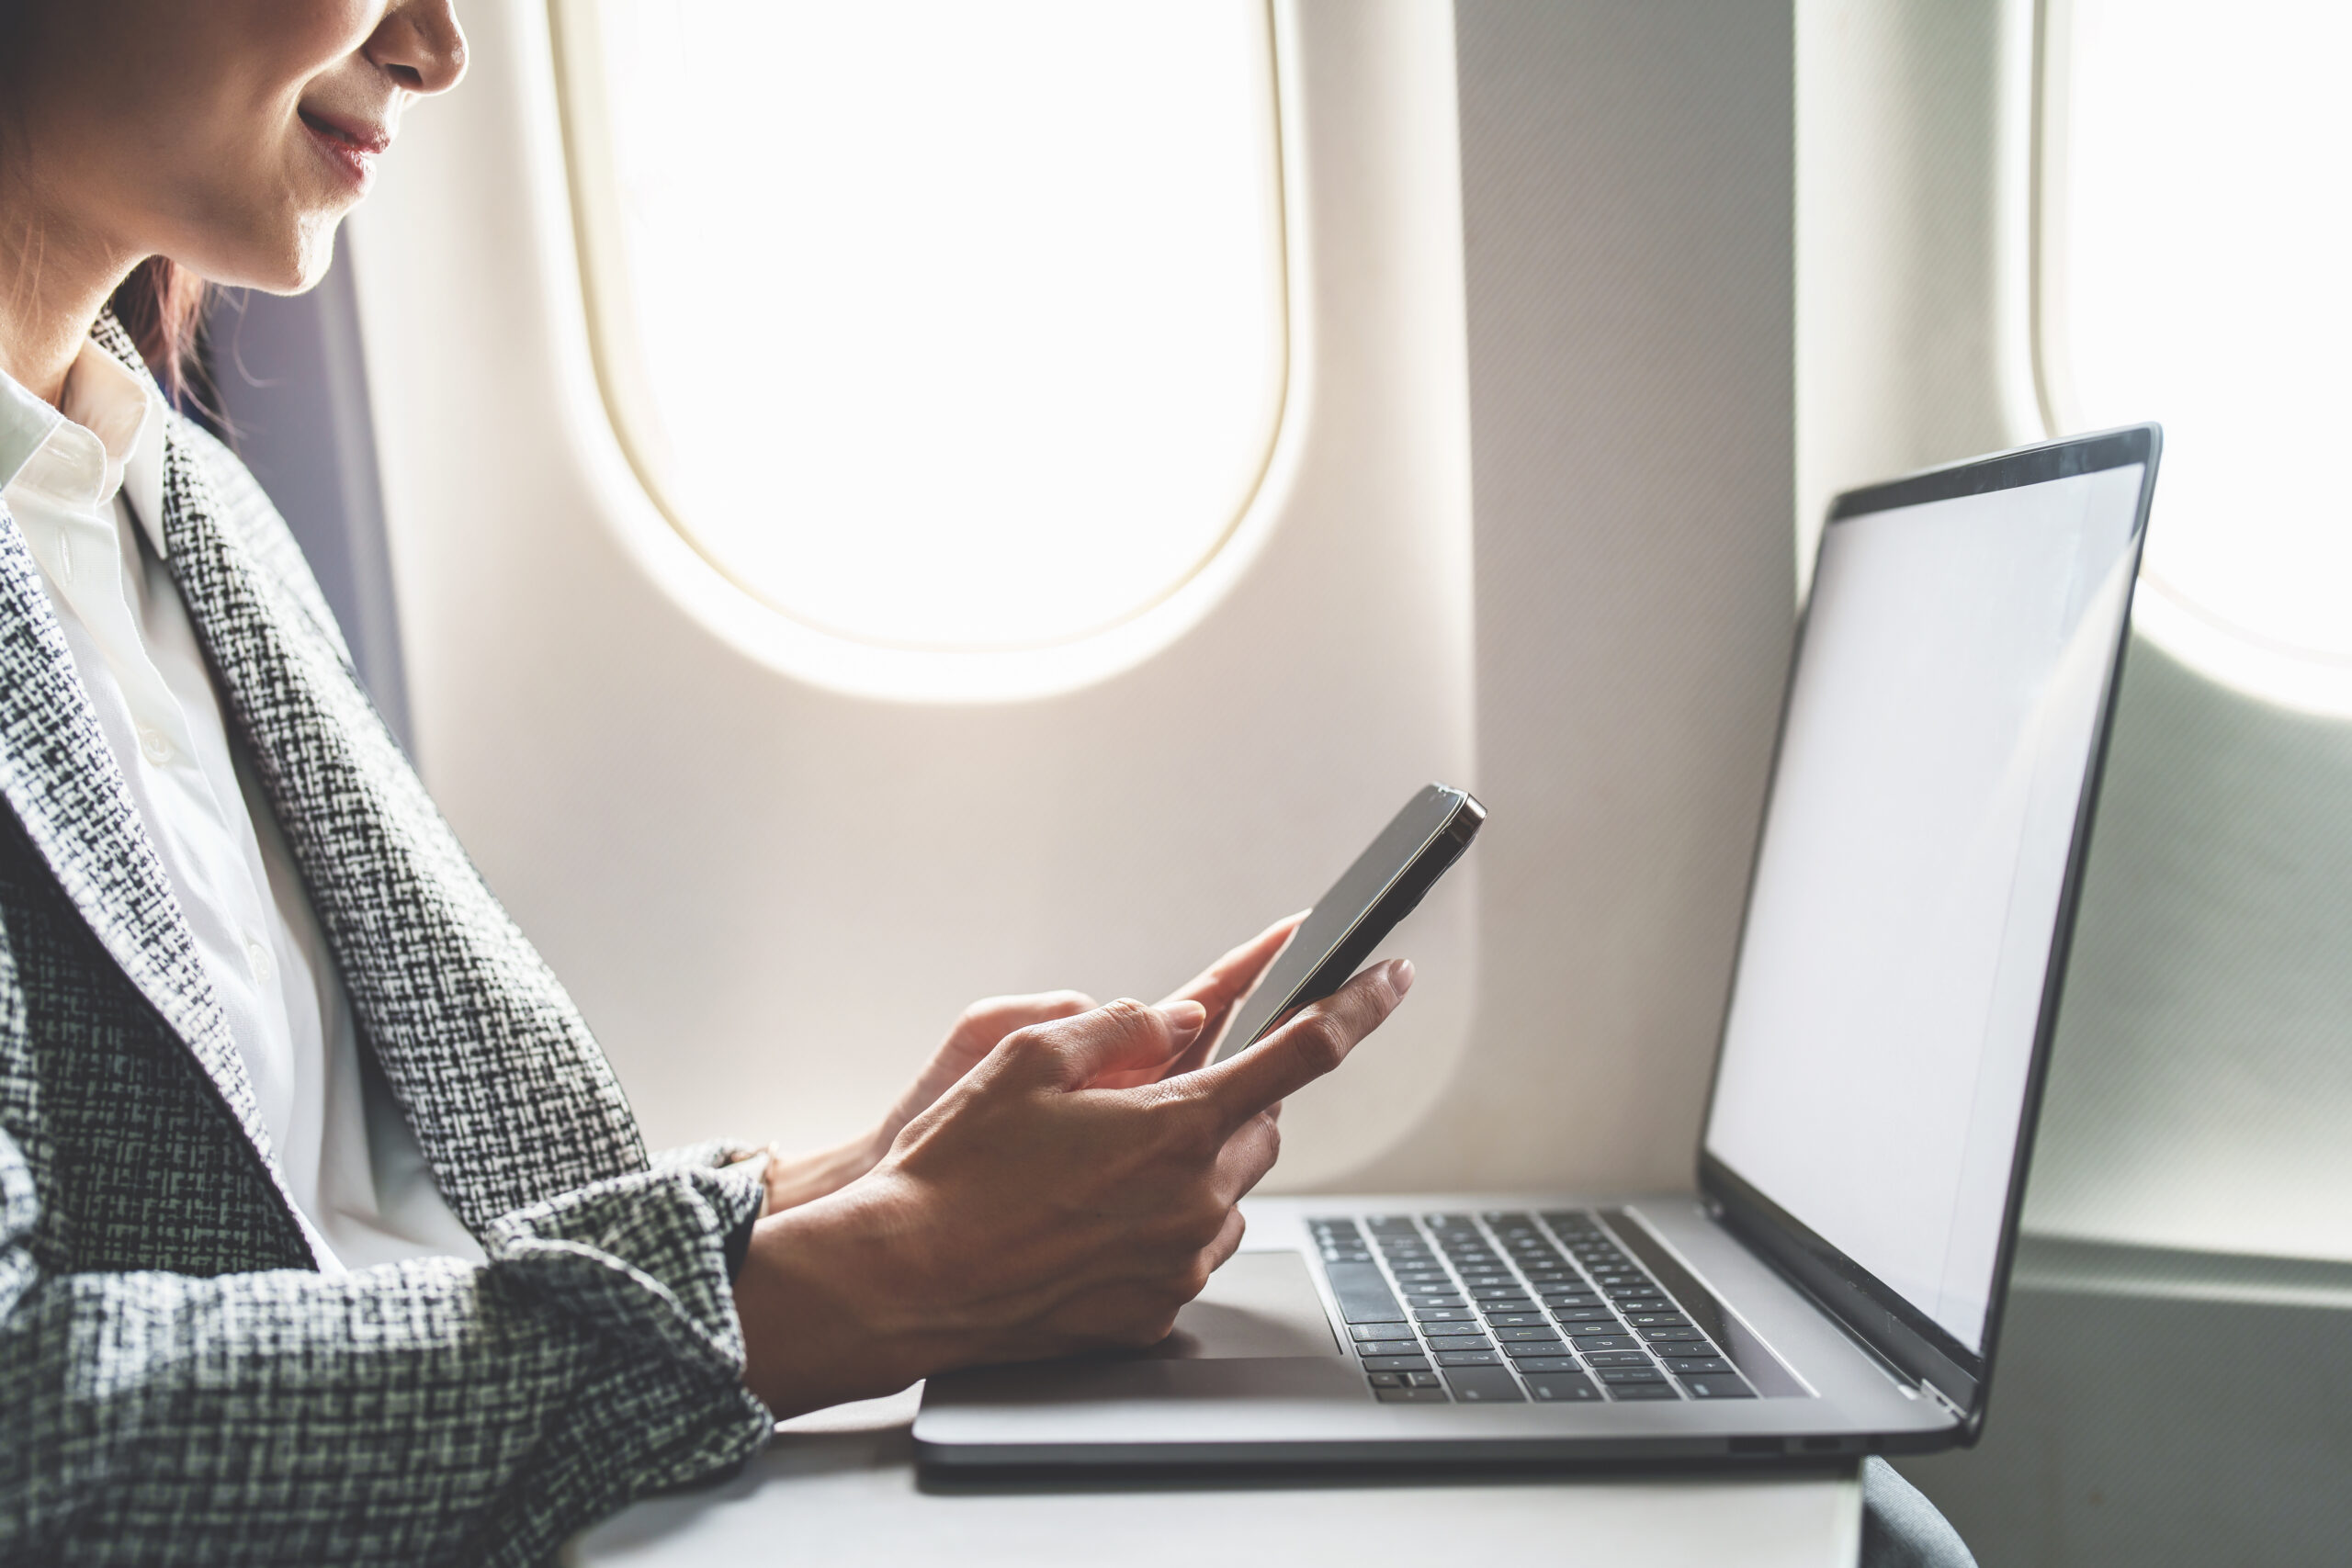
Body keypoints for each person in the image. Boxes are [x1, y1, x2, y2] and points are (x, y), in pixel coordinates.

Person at [0, 3, 1412, 1562]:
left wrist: (859, 1185)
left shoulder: (173, 504)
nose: (434, 45)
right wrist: (871, 1283)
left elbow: (356, 1245)